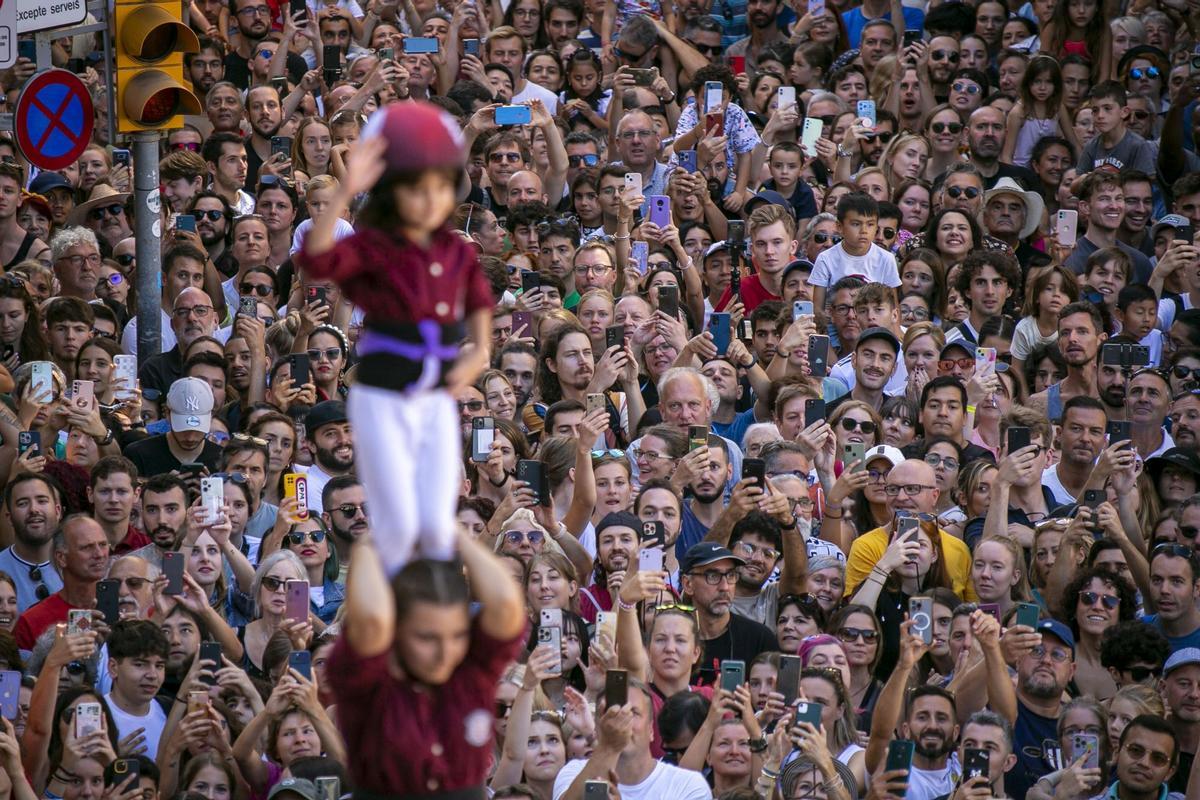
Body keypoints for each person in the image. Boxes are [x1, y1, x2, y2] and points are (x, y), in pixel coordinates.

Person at [298, 102, 495, 574]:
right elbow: (315, 260)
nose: (428, 200)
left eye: (437, 189)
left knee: (436, 521)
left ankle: (432, 611)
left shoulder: (454, 249)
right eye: (414, 190)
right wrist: (347, 187)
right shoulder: (372, 246)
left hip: (436, 397)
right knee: (397, 525)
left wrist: (480, 354)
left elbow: (481, 308)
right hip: (383, 395)